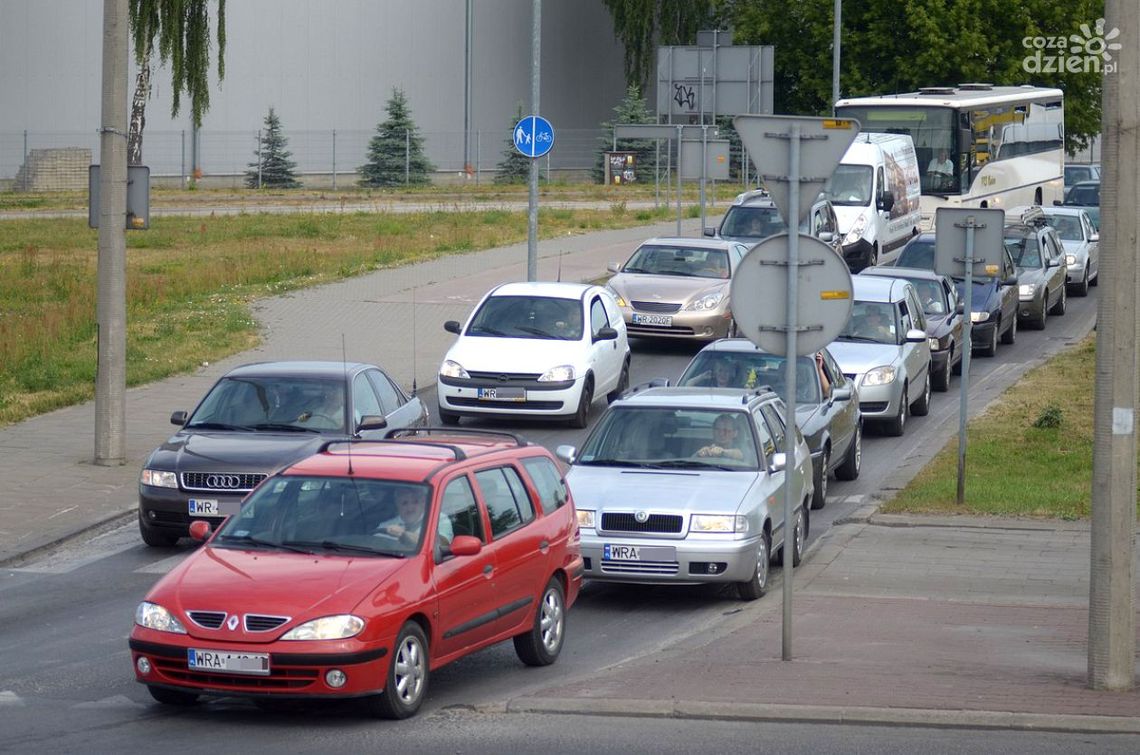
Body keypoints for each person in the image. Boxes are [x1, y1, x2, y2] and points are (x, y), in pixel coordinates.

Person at [376, 487, 452, 548]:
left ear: (423, 503)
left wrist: (404, 534)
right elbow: (373, 547)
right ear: (397, 505)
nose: (410, 508)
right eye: (404, 503)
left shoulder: (439, 519)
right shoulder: (385, 526)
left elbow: (442, 546)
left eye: (415, 502)